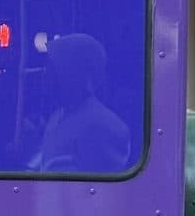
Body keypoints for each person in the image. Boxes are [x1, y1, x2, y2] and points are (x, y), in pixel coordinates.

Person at [36, 33, 130, 173]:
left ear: (74, 73)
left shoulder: (104, 126)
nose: (44, 77)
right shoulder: (56, 117)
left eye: (52, 69)